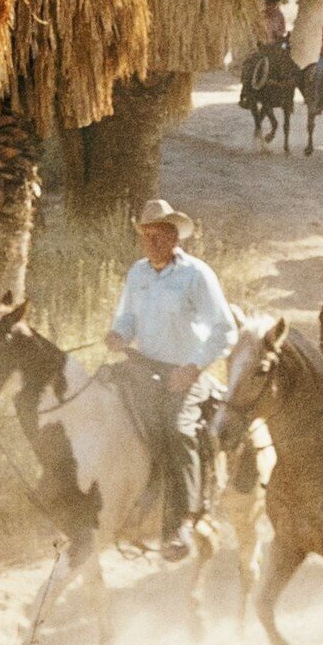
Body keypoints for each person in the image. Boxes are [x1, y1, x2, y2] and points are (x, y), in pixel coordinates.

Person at [105, 199, 235, 563]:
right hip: (144, 367)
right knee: (108, 413)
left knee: (178, 431)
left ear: (175, 237)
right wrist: (118, 334)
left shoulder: (196, 274)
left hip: (185, 371)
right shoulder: (138, 273)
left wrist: (193, 367)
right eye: (146, 235)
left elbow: (224, 330)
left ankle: (182, 521)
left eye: (160, 235)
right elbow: (127, 318)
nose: (152, 242)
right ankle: (112, 510)